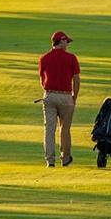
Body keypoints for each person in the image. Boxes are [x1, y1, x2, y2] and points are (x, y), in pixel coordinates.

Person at [38, 31, 80, 167]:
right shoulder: (71, 58)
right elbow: (76, 80)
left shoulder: (44, 58)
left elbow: (42, 79)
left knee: (49, 129)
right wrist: (74, 97)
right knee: (65, 129)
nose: (67, 44)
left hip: (49, 95)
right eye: (66, 41)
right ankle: (65, 158)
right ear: (61, 41)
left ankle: (50, 160)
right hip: (66, 96)